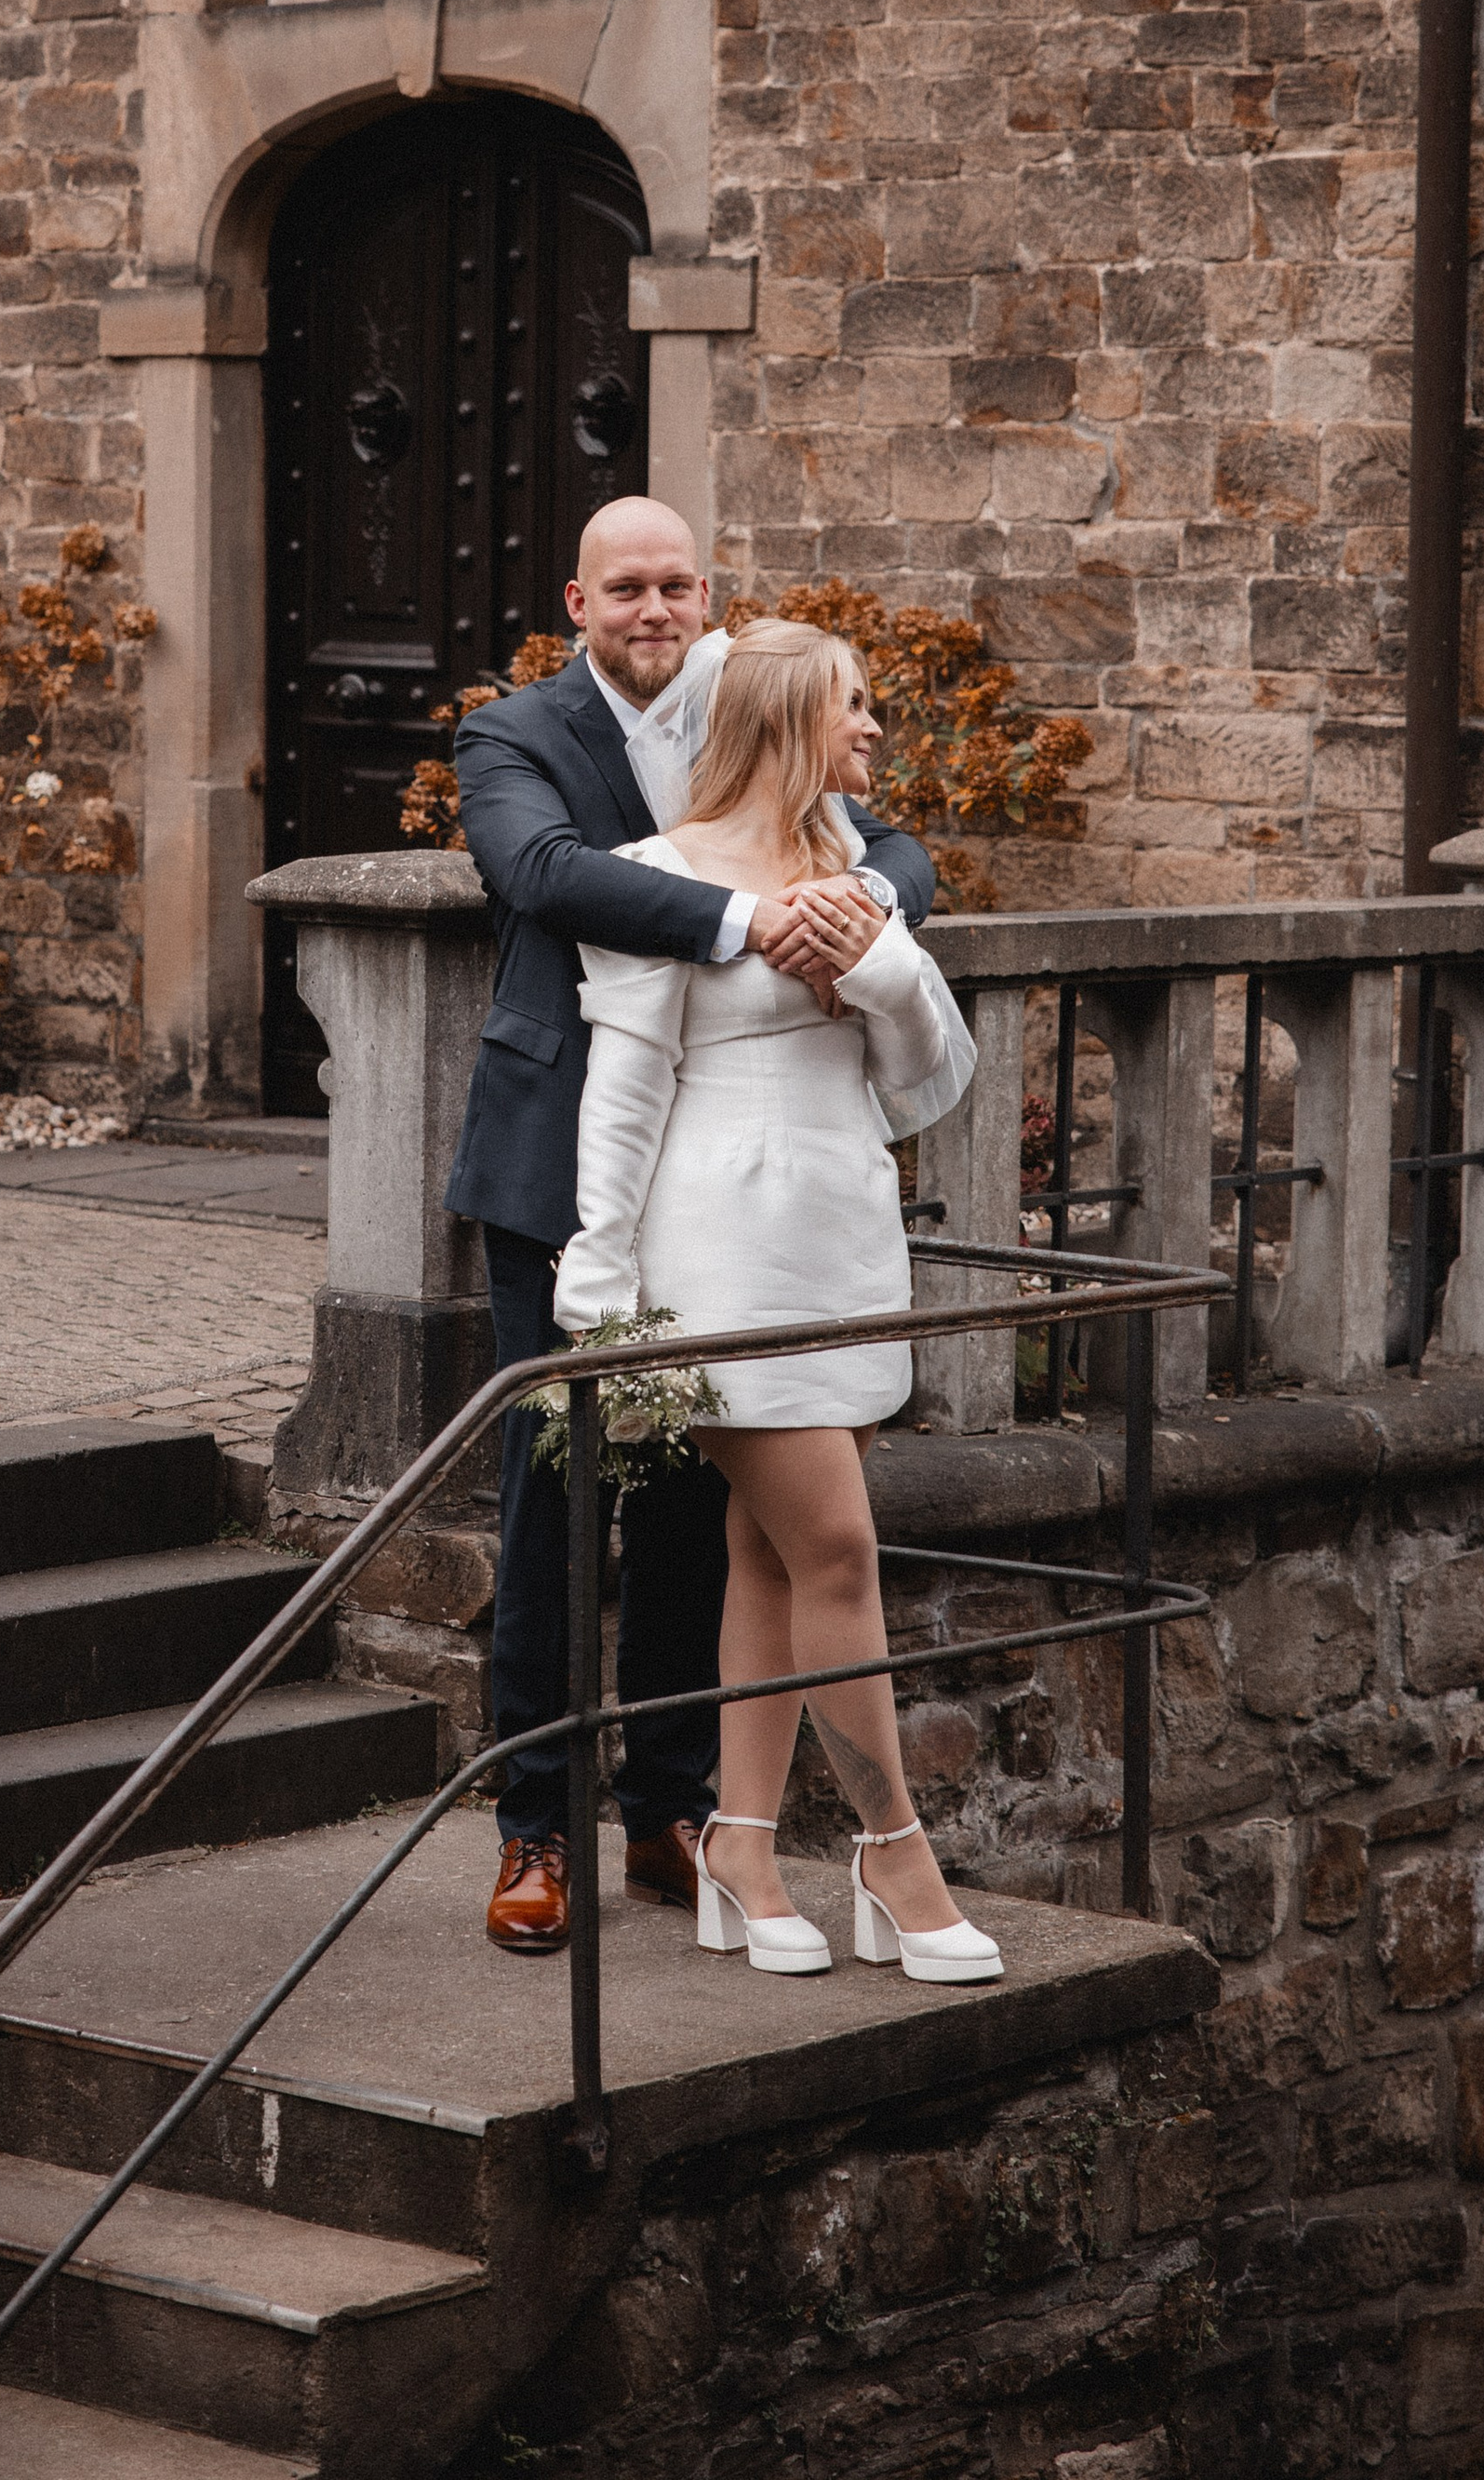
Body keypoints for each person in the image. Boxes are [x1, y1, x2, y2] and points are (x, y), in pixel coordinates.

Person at [447, 502, 935, 1952]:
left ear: (705, 593)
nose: (652, 609)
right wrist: (743, 925)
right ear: (576, 600)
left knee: (693, 1518)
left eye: (675, 586)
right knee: (555, 1499)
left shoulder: (747, 690)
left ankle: (670, 1808)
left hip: (720, 1202)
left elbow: (893, 835)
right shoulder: (512, 735)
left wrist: (854, 900)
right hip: (562, 1176)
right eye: (624, 589)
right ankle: (533, 1825)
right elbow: (541, 875)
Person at [552, 615, 1001, 1985]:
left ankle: (741, 1845)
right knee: (842, 1554)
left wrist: (868, 957)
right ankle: (892, 1851)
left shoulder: (860, 866)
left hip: (843, 1238)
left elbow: (933, 1072)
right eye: (853, 709)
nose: (874, 730)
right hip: (718, 1251)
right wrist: (601, 1290)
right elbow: (623, 1101)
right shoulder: (656, 877)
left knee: (767, 1554)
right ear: (792, 720)